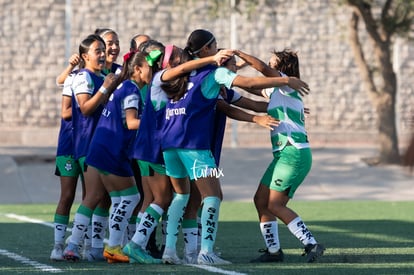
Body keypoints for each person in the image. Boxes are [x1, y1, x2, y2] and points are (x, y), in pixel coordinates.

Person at [159, 28, 309, 265]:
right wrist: (285, 80)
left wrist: (287, 109)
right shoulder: (215, 73)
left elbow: (249, 102)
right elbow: (247, 84)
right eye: (216, 45)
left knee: (181, 195)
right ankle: (206, 252)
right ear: (208, 49)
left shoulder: (184, 73)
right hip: (193, 145)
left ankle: (170, 251)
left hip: (169, 144)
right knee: (214, 196)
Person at [122, 44, 234, 265]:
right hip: (155, 147)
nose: (182, 62)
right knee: (165, 198)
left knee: (170, 198)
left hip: (152, 147)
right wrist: (211, 60)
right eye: (178, 59)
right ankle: (137, 244)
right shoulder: (161, 79)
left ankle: (169, 249)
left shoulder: (174, 84)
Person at [237, 48, 325, 263]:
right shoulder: (277, 90)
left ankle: (311, 243)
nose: (268, 65)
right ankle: (274, 251)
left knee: (275, 205)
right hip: (284, 155)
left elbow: (263, 70)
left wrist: (239, 54)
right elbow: (253, 91)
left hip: (293, 153)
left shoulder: (284, 83)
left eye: (272, 62)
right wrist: (230, 81)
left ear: (281, 68)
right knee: (260, 200)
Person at [83, 50, 154, 263]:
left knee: (122, 198)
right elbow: (131, 123)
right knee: (132, 197)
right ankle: (113, 246)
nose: (153, 71)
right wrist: (157, 124)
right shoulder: (132, 91)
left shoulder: (123, 86)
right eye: (150, 67)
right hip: (112, 150)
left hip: (104, 148)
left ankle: (113, 247)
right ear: (138, 69)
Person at [62, 33, 117, 262]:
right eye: (98, 50)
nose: (103, 54)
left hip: (103, 144)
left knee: (104, 198)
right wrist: (105, 89)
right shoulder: (84, 77)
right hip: (89, 145)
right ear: (85, 56)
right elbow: (85, 108)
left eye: (104, 50)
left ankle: (95, 249)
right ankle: (72, 245)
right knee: (94, 195)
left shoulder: (104, 75)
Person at [50, 58, 83, 261]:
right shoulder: (76, 77)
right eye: (102, 47)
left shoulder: (110, 76)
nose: (109, 50)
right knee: (67, 195)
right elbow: (65, 111)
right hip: (70, 145)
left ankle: (84, 244)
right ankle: (58, 245)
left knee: (94, 196)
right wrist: (93, 101)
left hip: (91, 146)